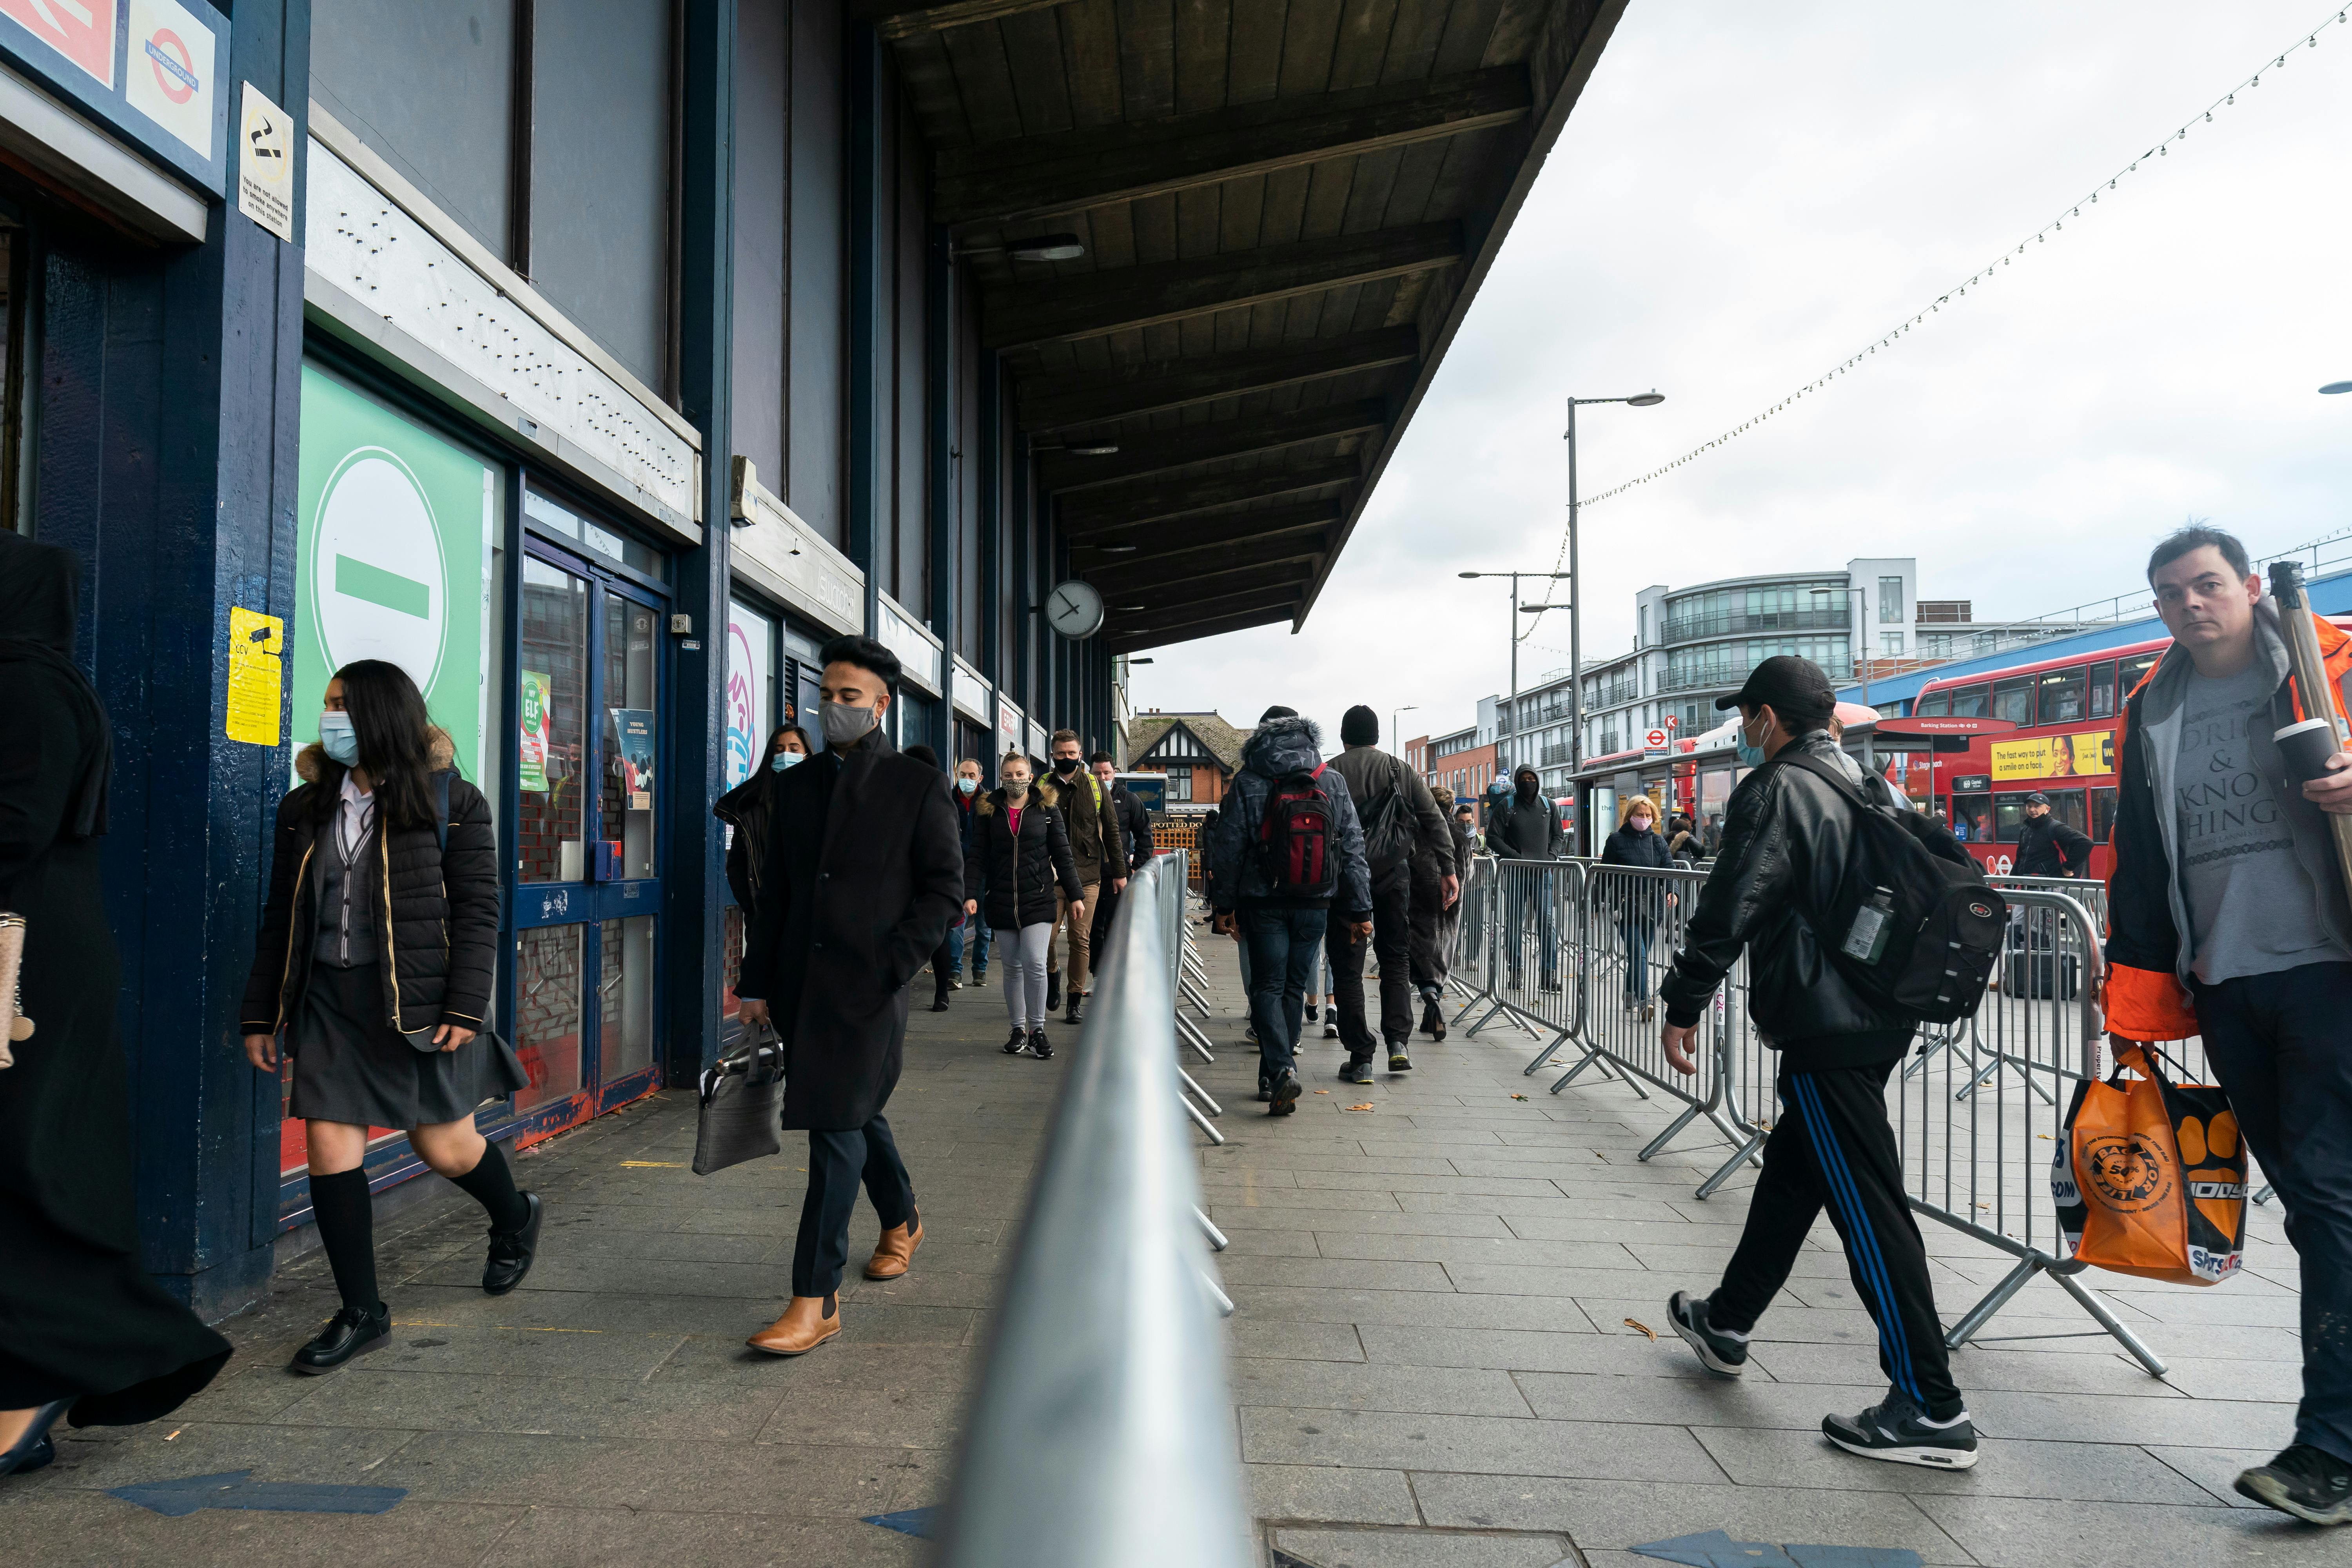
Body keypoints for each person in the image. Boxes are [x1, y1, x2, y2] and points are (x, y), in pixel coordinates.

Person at [1654, 655, 1978, 1471]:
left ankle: (1931, 1404)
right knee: (1797, 1168)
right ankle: (1726, 1319)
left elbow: (1735, 897)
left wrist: (1685, 997)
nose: (1745, 734)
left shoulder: (1779, 787)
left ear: (1768, 718)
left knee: (1868, 1206)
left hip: (1826, 1018)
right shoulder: (1870, 781)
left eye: (1747, 720)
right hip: (1878, 1008)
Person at [2103, 525, 2352, 1525]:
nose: (2191, 604)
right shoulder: (2151, 707)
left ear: (2250, 586)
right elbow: (2141, 849)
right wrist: (2132, 965)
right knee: (2313, 1203)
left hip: (2331, 966)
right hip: (2226, 981)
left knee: (2331, 1198)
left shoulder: (2329, 662)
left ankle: (2329, 1450)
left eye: (2207, 584)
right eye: (2171, 593)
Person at [0, 535, 231, 1474]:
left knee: (24, 1162)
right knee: (31, 1158)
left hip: (23, 965)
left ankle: (42, 1377)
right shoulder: (46, 680)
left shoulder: (20, 685)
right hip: (39, 951)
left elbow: (15, 825)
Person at [241, 660, 535, 1375]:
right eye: (327, 704)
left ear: (379, 714)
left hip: (418, 1004)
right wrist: (261, 1012)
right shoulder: (303, 807)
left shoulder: (452, 803)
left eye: (342, 705)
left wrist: (467, 1002)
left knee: (445, 1149)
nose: (329, 717)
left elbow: (478, 908)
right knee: (330, 1150)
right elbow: (282, 916)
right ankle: (362, 1311)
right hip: (330, 1005)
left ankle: (515, 1216)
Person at [734, 636, 963, 1357]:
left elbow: (944, 891)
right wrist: (757, 983)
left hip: (870, 990)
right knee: (854, 1114)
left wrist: (894, 966)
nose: (833, 708)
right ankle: (902, 1218)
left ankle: (815, 1297)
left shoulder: (914, 786)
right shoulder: (793, 786)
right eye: (826, 695)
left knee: (834, 1133)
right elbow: (778, 897)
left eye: (849, 697)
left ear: (882, 705)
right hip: (805, 987)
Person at [1203, 710, 1372, 1114]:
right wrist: (1361, 907)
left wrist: (1223, 906)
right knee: (1295, 986)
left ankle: (1280, 1070)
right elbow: (1352, 847)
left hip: (1264, 902)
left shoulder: (1249, 780)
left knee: (1267, 986)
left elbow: (1228, 848)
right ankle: (1275, 1074)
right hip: (1316, 900)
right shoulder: (1329, 778)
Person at [1327, 706, 1457, 1083]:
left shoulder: (1331, 771)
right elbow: (1434, 819)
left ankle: (1361, 1057)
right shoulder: (1399, 770)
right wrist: (1448, 870)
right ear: (1377, 735)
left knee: (1348, 967)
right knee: (1396, 959)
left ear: (1344, 735)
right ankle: (1398, 1044)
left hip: (1346, 880)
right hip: (1393, 876)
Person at [964, 753, 1083, 1060]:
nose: (1014, 778)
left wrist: (1076, 895)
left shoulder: (1046, 809)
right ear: (1000, 777)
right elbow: (977, 855)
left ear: (1031, 777)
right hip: (1001, 899)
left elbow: (1063, 855)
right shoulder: (989, 811)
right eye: (1008, 773)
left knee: (1034, 962)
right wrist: (970, 893)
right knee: (1012, 967)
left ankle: (1037, 1030)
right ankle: (1018, 1029)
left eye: (1020, 773)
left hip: (1039, 897)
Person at [1042, 730, 1129, 1025]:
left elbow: (1112, 830)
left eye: (1071, 753)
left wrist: (1120, 873)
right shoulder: (1041, 786)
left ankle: (1074, 1000)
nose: (1066, 758)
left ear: (1080, 755)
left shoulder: (1094, 785)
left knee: (1081, 939)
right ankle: (1052, 974)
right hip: (1050, 877)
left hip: (1088, 875)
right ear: (1052, 754)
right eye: (1060, 753)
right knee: (1048, 938)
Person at [716, 724, 812, 927]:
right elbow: (737, 863)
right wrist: (753, 906)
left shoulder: (824, 798)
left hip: (812, 919)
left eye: (794, 750)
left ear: (808, 755)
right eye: (779, 750)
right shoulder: (753, 806)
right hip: (767, 920)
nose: (786, 755)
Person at [1486, 763, 1566, 991]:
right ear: (1517, 780)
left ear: (1538, 781)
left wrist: (1551, 857)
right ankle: (1515, 972)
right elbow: (1493, 838)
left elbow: (1558, 836)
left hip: (1543, 873)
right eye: (1524, 778)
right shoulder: (1507, 806)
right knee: (1514, 924)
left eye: (1532, 778)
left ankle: (1548, 975)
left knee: (1547, 923)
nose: (1529, 782)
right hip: (1516, 873)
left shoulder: (1548, 806)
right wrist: (1516, 857)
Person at [1601, 794, 1673, 1018]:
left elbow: (1669, 870)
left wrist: (1673, 890)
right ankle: (1645, 1000)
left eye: (1648, 815)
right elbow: (1604, 876)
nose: (1644, 819)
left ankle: (1630, 993)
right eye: (1640, 815)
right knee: (1639, 954)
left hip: (1652, 908)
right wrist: (1596, 904)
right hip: (1625, 909)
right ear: (1630, 815)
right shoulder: (1615, 840)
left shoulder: (1658, 842)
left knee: (1639, 956)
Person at [1408, 786, 1470, 1040]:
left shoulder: (1414, 830)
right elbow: (1465, 872)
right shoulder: (1460, 835)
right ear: (1452, 808)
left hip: (1418, 899)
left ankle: (1430, 1002)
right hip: (1449, 905)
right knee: (1440, 959)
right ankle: (1431, 1012)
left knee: (1419, 958)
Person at [1087, 751, 1154, 954]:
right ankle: (1097, 975)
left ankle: (1114, 975)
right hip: (1088, 875)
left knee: (1115, 926)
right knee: (1091, 929)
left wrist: (1135, 869)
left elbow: (1145, 835)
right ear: (1090, 773)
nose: (1103, 778)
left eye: (1107, 773)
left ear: (1115, 772)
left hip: (1118, 875)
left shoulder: (1129, 800)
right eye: (1098, 774)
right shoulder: (1081, 797)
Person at [949, 758, 991, 986]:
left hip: (984, 870)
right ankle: (954, 971)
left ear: (980, 778)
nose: (967, 779)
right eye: (963, 775)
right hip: (956, 871)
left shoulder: (988, 803)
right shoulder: (947, 799)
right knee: (957, 921)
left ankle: (980, 969)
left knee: (984, 925)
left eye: (972, 776)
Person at [2011, 791, 2091, 878]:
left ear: (2048, 809)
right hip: (2028, 884)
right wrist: (2009, 886)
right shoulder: (2025, 830)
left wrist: (2068, 868)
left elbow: (2086, 843)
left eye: (2037, 806)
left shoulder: (2055, 827)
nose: (2032, 810)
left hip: (2050, 886)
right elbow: (2019, 860)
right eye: (2029, 806)